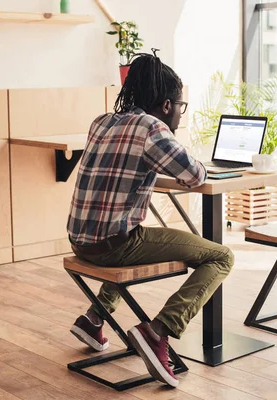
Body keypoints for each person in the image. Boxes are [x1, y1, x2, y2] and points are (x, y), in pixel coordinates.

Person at [67, 53, 234, 388]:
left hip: (80, 241)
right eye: (181, 107)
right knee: (220, 256)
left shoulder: (102, 121)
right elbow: (194, 174)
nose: (179, 114)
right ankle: (157, 331)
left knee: (131, 235)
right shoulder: (151, 127)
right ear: (167, 104)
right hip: (114, 245)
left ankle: (94, 318)